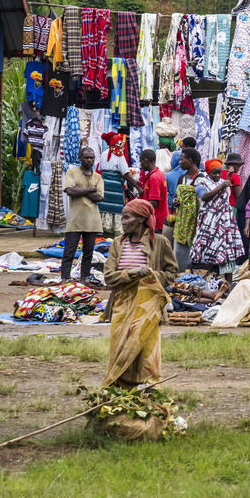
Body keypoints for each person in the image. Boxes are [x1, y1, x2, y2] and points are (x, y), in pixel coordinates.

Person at [101, 199, 178, 387]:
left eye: (127, 217)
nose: (123, 221)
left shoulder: (159, 242)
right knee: (120, 349)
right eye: (123, 217)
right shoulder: (117, 245)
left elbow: (172, 272)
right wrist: (131, 273)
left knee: (146, 349)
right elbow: (108, 276)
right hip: (121, 304)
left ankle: (148, 390)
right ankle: (119, 390)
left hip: (148, 305)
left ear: (141, 219)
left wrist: (152, 276)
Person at [190, 158, 241, 276]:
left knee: (226, 251)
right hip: (209, 221)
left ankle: (227, 285)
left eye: (219, 172)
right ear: (208, 172)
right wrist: (222, 186)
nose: (217, 175)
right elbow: (204, 196)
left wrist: (227, 179)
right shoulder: (201, 182)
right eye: (214, 173)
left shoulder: (223, 181)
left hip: (225, 221)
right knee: (207, 248)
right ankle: (207, 279)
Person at [61, 145, 105, 283]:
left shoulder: (98, 177)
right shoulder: (72, 172)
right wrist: (91, 189)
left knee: (88, 252)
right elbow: (69, 191)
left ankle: (83, 278)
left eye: (91, 158)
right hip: (75, 220)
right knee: (69, 251)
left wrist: (81, 190)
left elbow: (100, 197)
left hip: (92, 221)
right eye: (86, 157)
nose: (89, 160)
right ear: (80, 158)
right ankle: (65, 278)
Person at [168, 150, 209, 273]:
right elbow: (178, 196)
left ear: (190, 161)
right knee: (179, 251)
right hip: (181, 222)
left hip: (195, 223)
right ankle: (179, 275)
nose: (179, 162)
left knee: (193, 251)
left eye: (182, 159)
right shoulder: (182, 178)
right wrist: (176, 201)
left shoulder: (201, 179)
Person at [134, 148, 169, 234]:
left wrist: (138, 209)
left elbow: (154, 202)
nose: (140, 164)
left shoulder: (154, 178)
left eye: (141, 161)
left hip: (156, 221)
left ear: (146, 160)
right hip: (158, 219)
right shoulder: (158, 174)